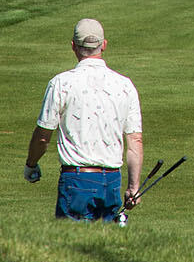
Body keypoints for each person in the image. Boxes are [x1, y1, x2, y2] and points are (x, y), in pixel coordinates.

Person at [25, 18, 144, 223]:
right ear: (103, 45)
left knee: (71, 248)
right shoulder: (125, 85)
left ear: (73, 46)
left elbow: (43, 137)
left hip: (77, 179)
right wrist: (134, 188)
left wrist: (31, 164)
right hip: (112, 181)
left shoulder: (61, 83)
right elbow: (135, 142)